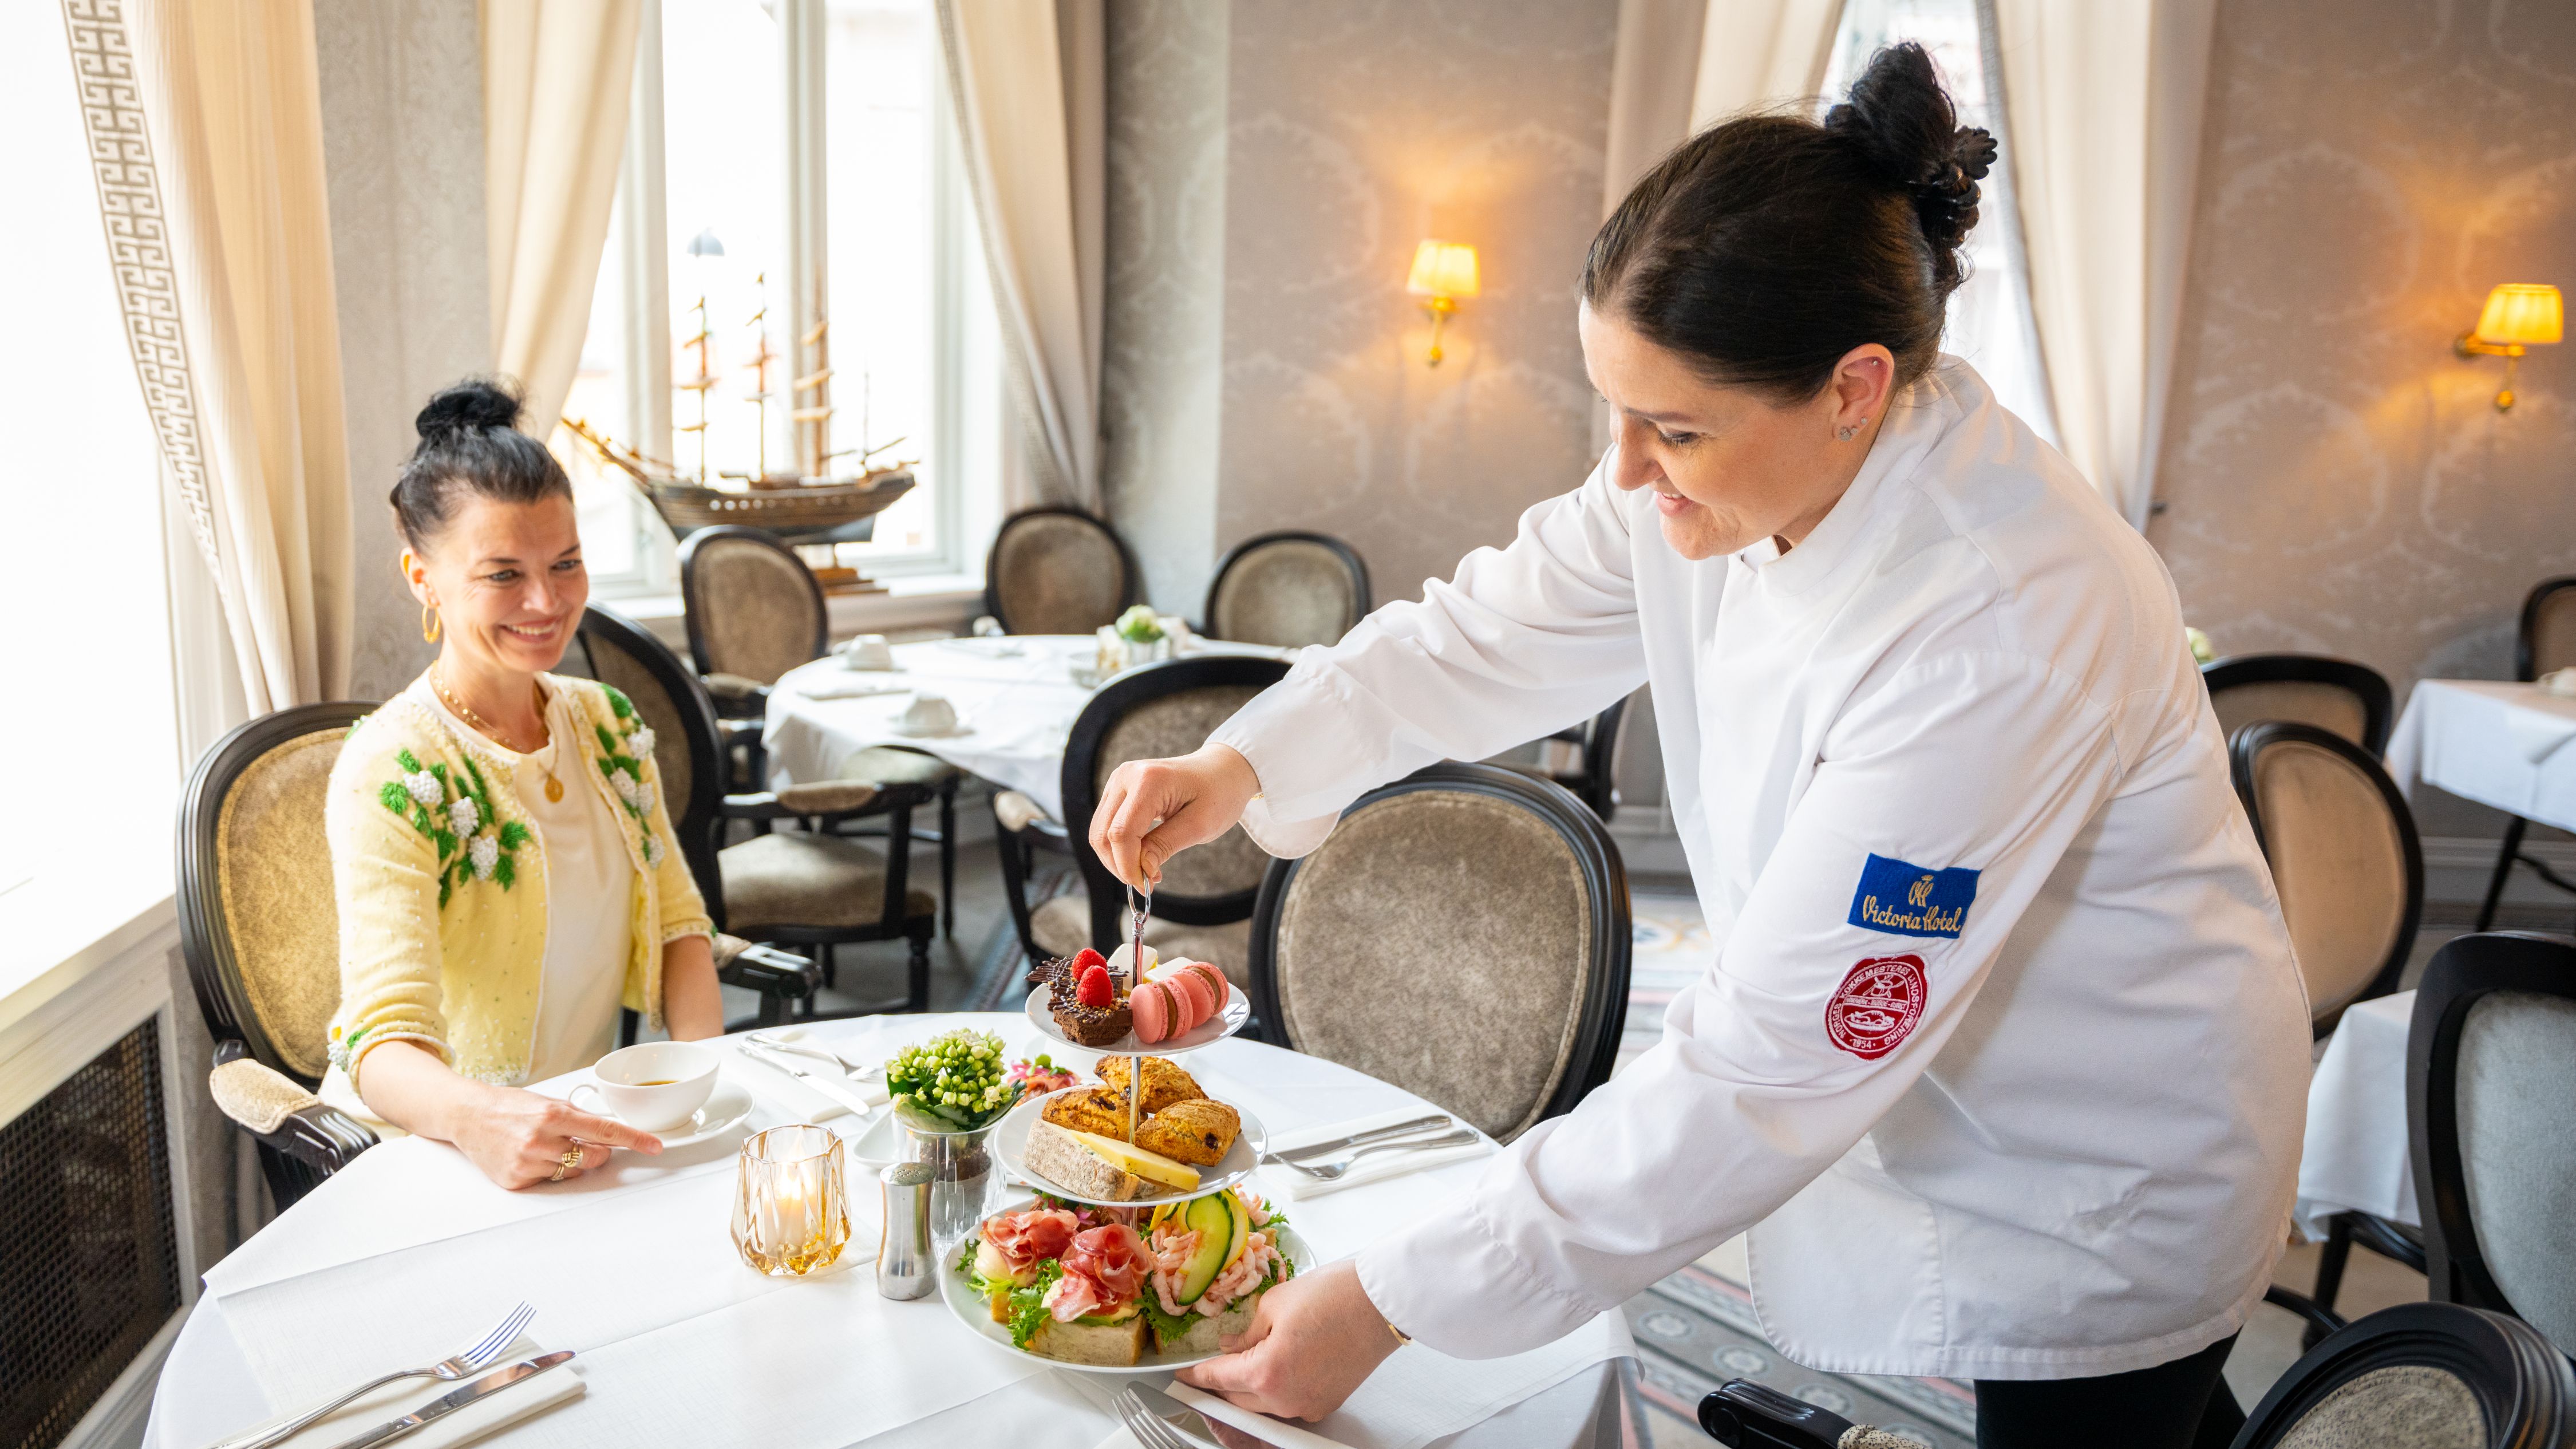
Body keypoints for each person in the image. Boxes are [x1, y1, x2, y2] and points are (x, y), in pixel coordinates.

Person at [1089, 46, 2307, 1449]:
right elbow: (1484, 626)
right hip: (1926, 1073)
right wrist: (1243, 761)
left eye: (1671, 427)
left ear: (1855, 387)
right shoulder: (1715, 473)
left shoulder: (2004, 620)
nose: (1623, 471)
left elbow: (1763, 1068)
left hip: (2095, 1161)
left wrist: (1390, 1299)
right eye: (1614, 409)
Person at [321, 380, 726, 1190]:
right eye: (503, 574)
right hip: (444, 1150)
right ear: (422, 578)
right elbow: (381, 1044)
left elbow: (681, 927)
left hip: (592, 1133)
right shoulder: (393, 770)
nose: (547, 602)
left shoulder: (607, 723)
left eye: (566, 563)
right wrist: (483, 1120)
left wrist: (700, 1084)